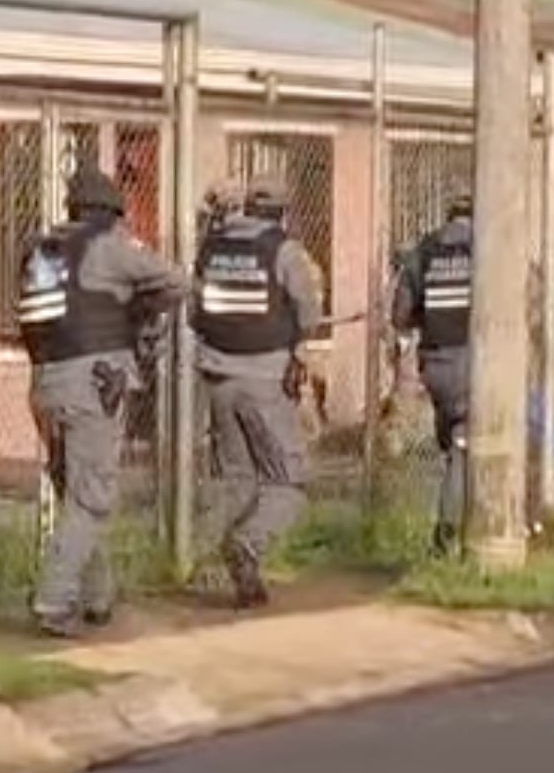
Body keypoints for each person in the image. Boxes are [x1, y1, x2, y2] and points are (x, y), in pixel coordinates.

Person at [17, 162, 186, 638]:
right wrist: (139, 310)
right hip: (93, 384)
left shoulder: (41, 252)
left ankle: (97, 595)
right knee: (91, 499)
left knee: (77, 492)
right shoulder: (110, 247)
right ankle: (54, 600)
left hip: (44, 385)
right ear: (113, 213)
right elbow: (176, 281)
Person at [193, 176, 325, 607]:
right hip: (265, 379)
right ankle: (248, 543)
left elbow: (196, 311)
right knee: (289, 480)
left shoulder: (211, 247)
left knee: (240, 479)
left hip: (216, 377)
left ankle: (232, 575)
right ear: (283, 212)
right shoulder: (283, 249)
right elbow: (308, 312)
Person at [392, 193, 475, 556]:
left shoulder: (424, 251)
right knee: (463, 445)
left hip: (436, 364)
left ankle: (453, 526)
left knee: (454, 440)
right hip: (474, 362)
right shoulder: (487, 248)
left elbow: (401, 315)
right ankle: (448, 533)